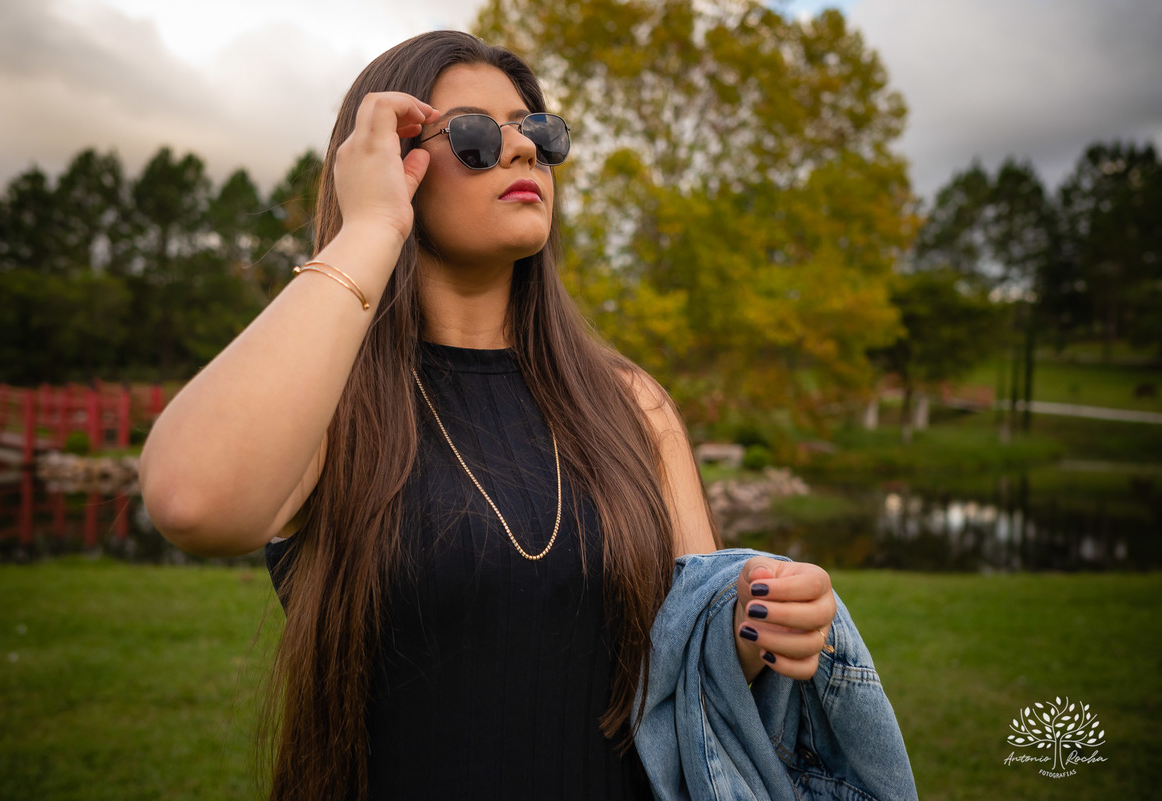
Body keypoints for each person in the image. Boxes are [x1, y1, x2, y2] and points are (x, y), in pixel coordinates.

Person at [139, 30, 839, 801]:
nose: (521, 152)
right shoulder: (335, 401)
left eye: (538, 131)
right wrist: (368, 229)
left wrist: (755, 620)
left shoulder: (631, 403)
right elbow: (192, 500)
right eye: (472, 135)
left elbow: (686, 666)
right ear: (389, 166)